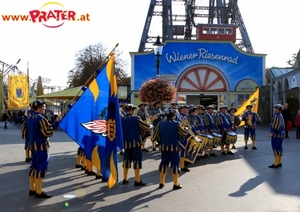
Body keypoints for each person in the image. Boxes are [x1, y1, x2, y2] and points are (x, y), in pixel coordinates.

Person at [21, 100, 62, 198]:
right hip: (41, 147)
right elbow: (48, 132)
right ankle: (38, 191)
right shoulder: (41, 119)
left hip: (32, 147)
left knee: (33, 166)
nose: (44, 108)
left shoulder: (28, 119)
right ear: (39, 107)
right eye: (43, 106)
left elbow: (23, 134)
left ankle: (32, 188)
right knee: (41, 167)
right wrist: (56, 122)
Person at [152, 109, 188, 190]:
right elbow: (183, 133)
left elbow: (155, 136)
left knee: (164, 163)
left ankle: (161, 182)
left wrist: (161, 142)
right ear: (173, 116)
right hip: (174, 147)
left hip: (164, 147)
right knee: (175, 164)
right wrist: (185, 127)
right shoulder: (177, 123)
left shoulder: (160, 123)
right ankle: (176, 184)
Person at [121, 104, 150, 186]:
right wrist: (148, 124)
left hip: (126, 143)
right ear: (131, 110)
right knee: (137, 161)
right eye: (133, 110)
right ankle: (137, 180)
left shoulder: (122, 119)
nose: (134, 111)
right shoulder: (136, 118)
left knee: (126, 160)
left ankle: (125, 179)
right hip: (136, 143)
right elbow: (146, 127)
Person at [268, 104, 285, 168]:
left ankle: (276, 163)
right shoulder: (281, 116)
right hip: (281, 135)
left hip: (276, 135)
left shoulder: (276, 116)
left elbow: (275, 126)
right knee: (280, 148)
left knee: (275, 148)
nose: (274, 109)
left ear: (277, 109)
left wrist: (272, 132)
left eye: (275, 108)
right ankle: (280, 162)